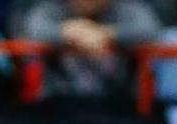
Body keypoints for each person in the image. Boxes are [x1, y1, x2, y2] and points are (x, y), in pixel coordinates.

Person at [18, 0, 162, 101]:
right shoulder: (52, 8)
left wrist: (107, 33)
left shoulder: (127, 8)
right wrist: (67, 32)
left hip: (119, 106)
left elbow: (150, 30)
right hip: (60, 107)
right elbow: (31, 29)